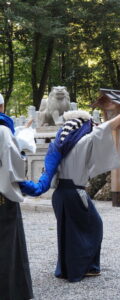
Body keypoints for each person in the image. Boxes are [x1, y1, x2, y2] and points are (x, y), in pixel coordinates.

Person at [21, 104, 120, 282]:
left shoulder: (58, 146)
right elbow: (106, 127)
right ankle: (84, 267)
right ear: (81, 126)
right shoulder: (83, 141)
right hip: (75, 193)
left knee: (67, 232)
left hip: (60, 194)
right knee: (95, 226)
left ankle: (66, 269)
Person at [0, 93, 33, 300]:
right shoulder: (3, 130)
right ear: (2, 107)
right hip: (2, 198)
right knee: (6, 246)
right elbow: (14, 167)